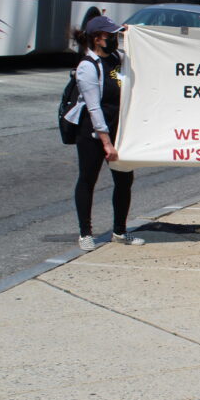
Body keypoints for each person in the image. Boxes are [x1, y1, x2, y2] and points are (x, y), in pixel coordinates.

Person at [64, 16, 145, 250]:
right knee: (88, 179)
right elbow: (93, 108)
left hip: (118, 129)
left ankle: (120, 231)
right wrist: (106, 143)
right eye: (111, 36)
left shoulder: (117, 59)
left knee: (124, 180)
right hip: (93, 132)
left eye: (116, 36)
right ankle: (85, 233)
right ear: (97, 39)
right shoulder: (87, 67)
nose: (114, 40)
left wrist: (132, 34)